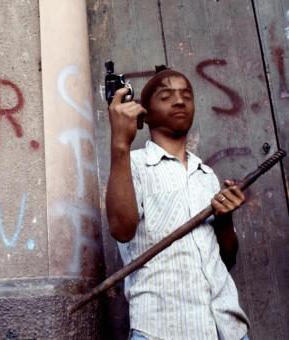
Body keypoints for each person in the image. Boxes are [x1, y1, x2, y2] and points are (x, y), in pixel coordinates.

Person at [106, 67, 250, 340]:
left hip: (228, 328)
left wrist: (224, 218)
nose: (180, 100)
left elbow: (227, 259)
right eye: (166, 95)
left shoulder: (206, 175)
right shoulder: (132, 165)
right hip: (162, 328)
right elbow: (121, 230)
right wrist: (120, 144)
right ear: (144, 113)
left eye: (187, 95)